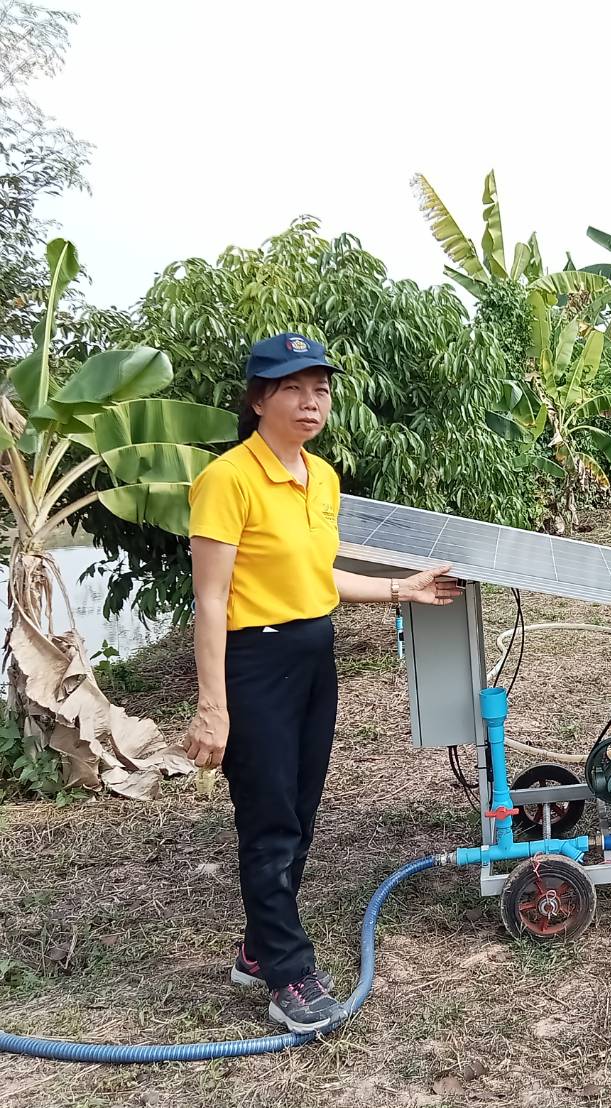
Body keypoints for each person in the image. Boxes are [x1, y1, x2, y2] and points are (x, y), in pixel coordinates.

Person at [185, 333, 461, 1032]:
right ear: (257, 400)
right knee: (270, 820)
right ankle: (287, 974)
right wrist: (212, 707)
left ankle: (257, 949)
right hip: (255, 661)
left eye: (321, 390)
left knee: (299, 812)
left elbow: (318, 577)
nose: (311, 402)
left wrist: (401, 588)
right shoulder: (228, 480)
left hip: (313, 651)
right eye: (293, 388)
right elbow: (212, 599)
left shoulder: (323, 476)